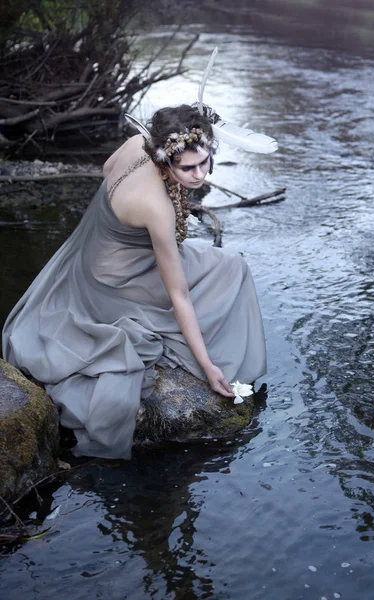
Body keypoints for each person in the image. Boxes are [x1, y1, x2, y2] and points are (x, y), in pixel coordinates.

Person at [2, 104, 267, 459]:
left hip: (94, 257)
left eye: (205, 162)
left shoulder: (137, 141)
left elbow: (107, 169)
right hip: (116, 282)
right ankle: (229, 368)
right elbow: (178, 295)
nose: (199, 175)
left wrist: (123, 232)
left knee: (228, 263)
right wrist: (207, 367)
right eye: (187, 168)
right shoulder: (157, 208)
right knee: (231, 272)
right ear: (164, 158)